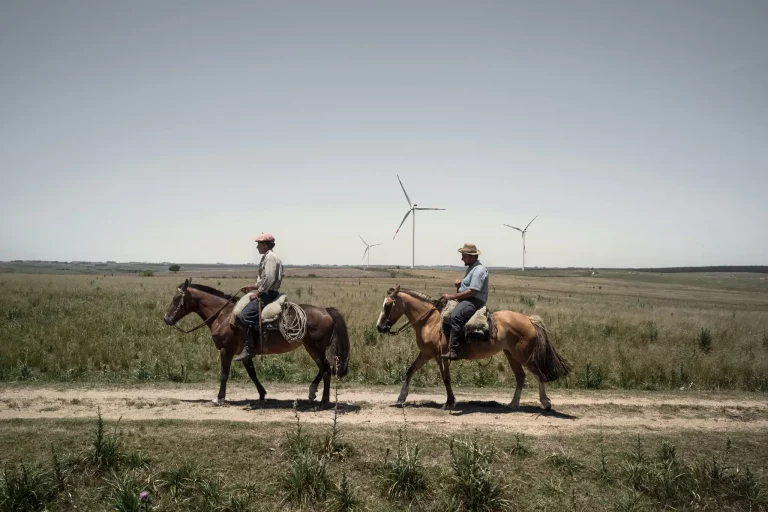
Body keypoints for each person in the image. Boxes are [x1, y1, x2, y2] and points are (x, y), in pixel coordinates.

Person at [234, 233, 284, 361]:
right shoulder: (268, 257)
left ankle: (249, 349)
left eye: (259, 244)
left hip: (268, 294)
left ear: (265, 245)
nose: (257, 247)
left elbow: (269, 279)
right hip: (267, 291)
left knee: (245, 315)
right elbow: (264, 279)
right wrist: (253, 286)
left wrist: (258, 294)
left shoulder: (270, 258)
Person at [440, 243, 489, 360]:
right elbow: (467, 289)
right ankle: (448, 344)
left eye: (464, 256)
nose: (462, 259)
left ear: (471, 256)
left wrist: (452, 296)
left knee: (455, 316)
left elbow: (472, 292)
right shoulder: (471, 268)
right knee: (444, 314)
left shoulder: (479, 270)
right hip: (467, 299)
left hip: (474, 300)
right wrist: (459, 286)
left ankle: (454, 351)